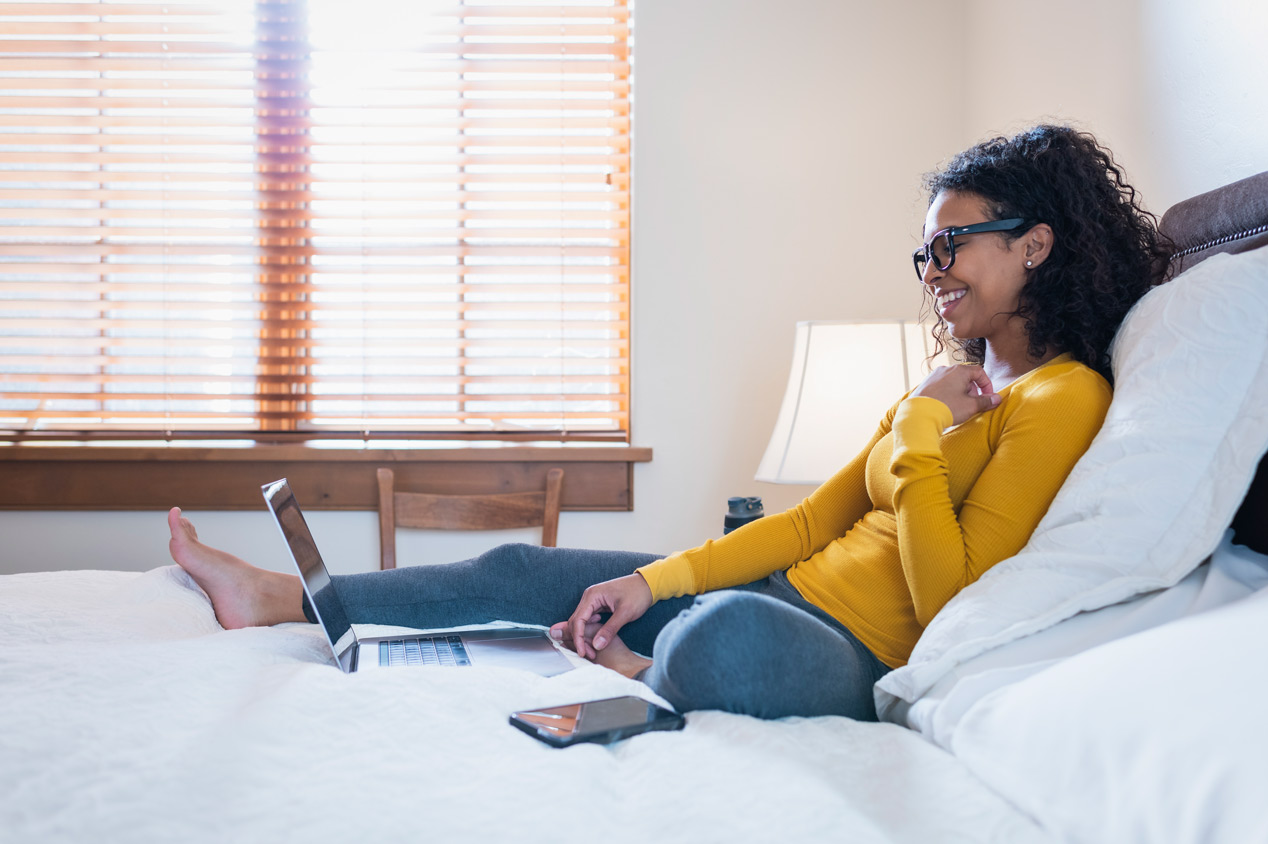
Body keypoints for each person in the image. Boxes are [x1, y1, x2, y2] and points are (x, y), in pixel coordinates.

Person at [168, 124, 1169, 722]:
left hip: (849, 646)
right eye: (923, 252)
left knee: (724, 634)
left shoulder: (1060, 397)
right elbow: (810, 523)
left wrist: (911, 432)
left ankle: (647, 661)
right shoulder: (949, 383)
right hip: (786, 586)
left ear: (1035, 244)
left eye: (950, 242)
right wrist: (642, 581)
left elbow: (946, 594)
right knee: (525, 575)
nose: (932, 271)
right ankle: (283, 600)